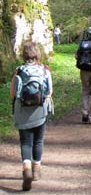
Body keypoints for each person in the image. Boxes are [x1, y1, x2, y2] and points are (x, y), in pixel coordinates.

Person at [10, 41, 53, 192]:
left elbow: (13, 94)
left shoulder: (18, 71)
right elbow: (49, 92)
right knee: (38, 140)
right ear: (37, 54)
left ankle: (26, 169)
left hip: (22, 111)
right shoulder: (44, 70)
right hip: (40, 111)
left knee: (25, 142)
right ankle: (36, 170)